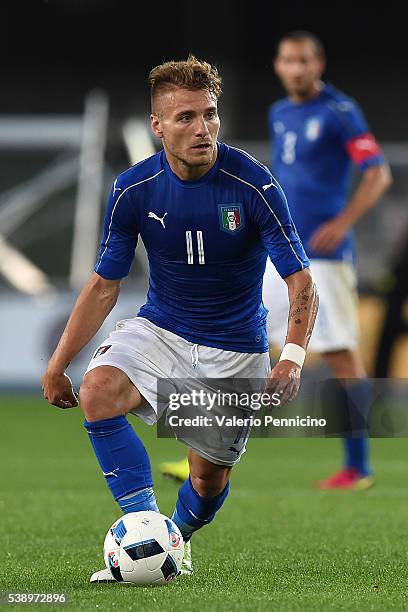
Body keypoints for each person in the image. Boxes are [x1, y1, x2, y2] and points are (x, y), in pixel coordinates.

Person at [42, 55, 318, 582]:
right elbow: (104, 285)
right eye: (186, 117)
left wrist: (293, 357)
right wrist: (60, 363)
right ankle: (145, 528)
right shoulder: (133, 189)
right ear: (158, 125)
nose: (202, 129)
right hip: (160, 330)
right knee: (98, 389)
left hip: (234, 348)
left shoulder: (254, 186)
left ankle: (177, 538)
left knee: (208, 481)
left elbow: (300, 282)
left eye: (210, 115)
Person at [262, 31, 392, 489]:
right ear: (278, 66)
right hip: (282, 251)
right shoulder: (279, 114)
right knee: (238, 335)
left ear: (318, 65)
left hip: (327, 257)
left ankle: (359, 465)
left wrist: (344, 220)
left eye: (303, 61)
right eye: (287, 60)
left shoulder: (340, 112)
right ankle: (208, 455)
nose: (295, 69)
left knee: (339, 354)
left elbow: (378, 173)